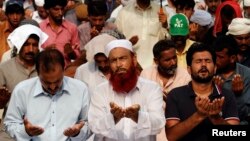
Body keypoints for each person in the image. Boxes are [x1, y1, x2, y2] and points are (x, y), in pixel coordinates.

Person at [4, 48, 91, 140]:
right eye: (47, 82)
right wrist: (25, 132)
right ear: (37, 73)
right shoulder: (22, 91)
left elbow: (88, 124)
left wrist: (77, 133)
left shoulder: (80, 89)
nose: (53, 87)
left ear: (63, 69)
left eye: (57, 81)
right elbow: (10, 124)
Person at [88, 39, 165, 141]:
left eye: (123, 58)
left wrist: (138, 116)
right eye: (113, 60)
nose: (119, 64)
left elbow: (159, 124)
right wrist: (113, 118)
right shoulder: (100, 91)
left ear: (134, 59)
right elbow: (94, 127)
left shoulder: (152, 89)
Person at [165, 43, 240, 141]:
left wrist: (216, 118)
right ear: (189, 69)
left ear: (215, 68)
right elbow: (171, 137)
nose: (203, 65)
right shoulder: (175, 95)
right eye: (198, 61)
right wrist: (199, 115)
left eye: (208, 61)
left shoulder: (227, 96)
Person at [0, 23, 48, 141]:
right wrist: (1, 101)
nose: (31, 49)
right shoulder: (5, 68)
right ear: (19, 44)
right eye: (26, 44)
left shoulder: (46, 68)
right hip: (10, 131)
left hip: (41, 130)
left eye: (34, 45)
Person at [115, 0, 169, 69]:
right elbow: (116, 43)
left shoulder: (161, 11)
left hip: (155, 67)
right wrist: (128, 43)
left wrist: (165, 25)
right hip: (131, 67)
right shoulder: (123, 13)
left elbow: (167, 40)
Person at [213, 35, 250, 124]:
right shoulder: (210, 73)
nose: (216, 60)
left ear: (232, 58)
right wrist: (215, 93)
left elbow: (245, 114)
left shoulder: (247, 75)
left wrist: (237, 96)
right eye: (215, 56)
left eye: (220, 57)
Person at [40, 0, 81, 67]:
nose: (60, 13)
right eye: (56, 9)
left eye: (62, 9)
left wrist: (71, 52)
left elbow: (77, 55)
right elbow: (35, 54)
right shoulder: (40, 28)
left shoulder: (72, 28)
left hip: (65, 72)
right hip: (45, 71)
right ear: (47, 10)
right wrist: (45, 51)